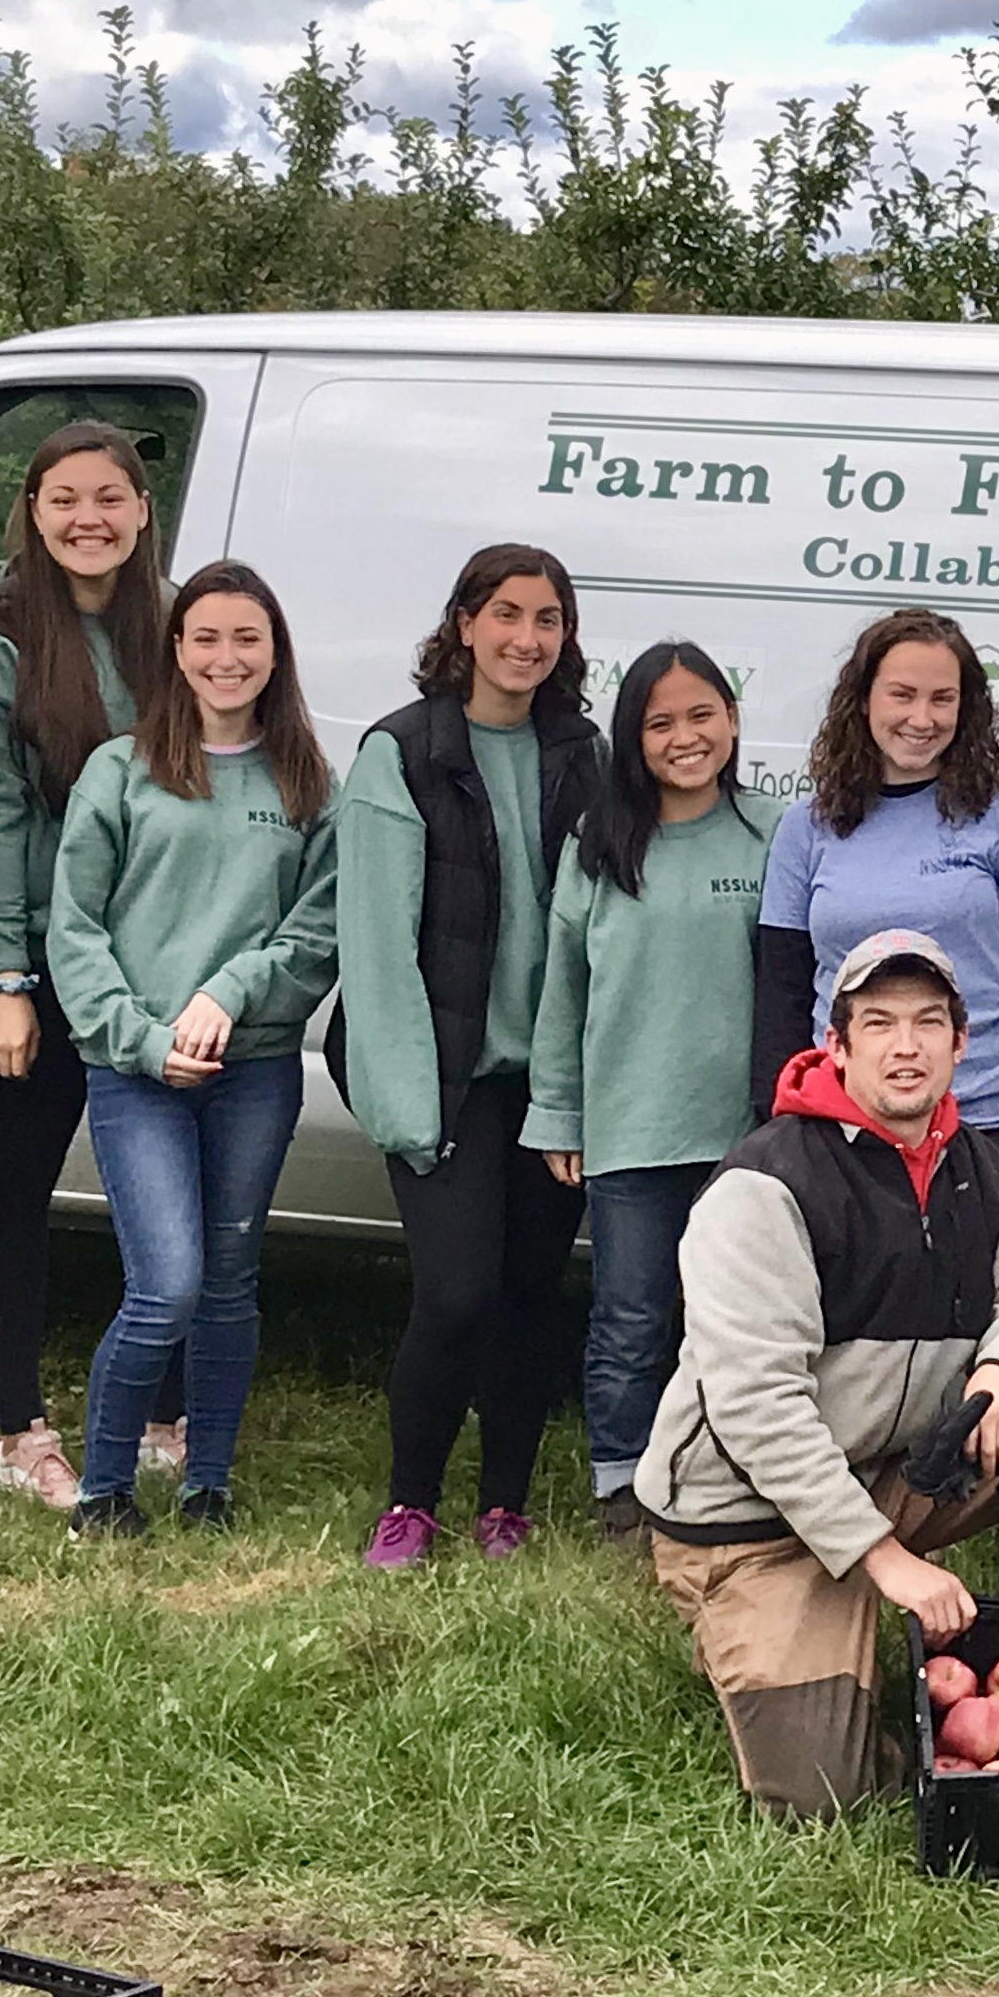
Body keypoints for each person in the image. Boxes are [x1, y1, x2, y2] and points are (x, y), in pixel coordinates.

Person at [635, 929, 999, 1821]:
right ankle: (753, 1627)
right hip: (751, 1519)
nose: (906, 1045)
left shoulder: (974, 1165)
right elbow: (758, 1412)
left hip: (889, 1468)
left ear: (959, 1041)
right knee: (824, 1795)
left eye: (927, 1022)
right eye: (879, 1023)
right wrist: (884, 1560)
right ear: (837, 1043)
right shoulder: (765, 1184)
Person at [46, 561, 338, 1537]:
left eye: (246, 639)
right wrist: (138, 1036)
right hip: (137, 1072)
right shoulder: (120, 770)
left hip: (253, 1068)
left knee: (226, 1277)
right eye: (205, 637)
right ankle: (103, 1491)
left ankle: (208, 1480)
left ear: (274, 653)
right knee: (163, 1280)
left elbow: (316, 931)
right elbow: (75, 928)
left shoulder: (303, 781)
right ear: (175, 652)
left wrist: (230, 989)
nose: (226, 657)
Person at [336, 544, 606, 1563]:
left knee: (530, 1296)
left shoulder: (581, 753)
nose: (525, 638)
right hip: (442, 1081)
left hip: (545, 1086)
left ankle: (503, 1505)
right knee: (453, 1295)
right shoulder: (397, 755)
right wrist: (410, 1112)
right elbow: (374, 948)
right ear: (461, 624)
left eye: (546, 620)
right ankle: (409, 1500)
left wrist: (579, 1092)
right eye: (505, 614)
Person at [0, 421, 185, 1504]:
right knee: (16, 1186)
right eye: (63, 500)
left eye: (109, 498)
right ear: (32, 513)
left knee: (165, 1188)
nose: (89, 519)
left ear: (142, 510)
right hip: (37, 956)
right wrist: (4, 978)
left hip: (158, 957)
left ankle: (165, 1413)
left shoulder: (178, 626)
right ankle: (19, 1432)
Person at [518, 640, 773, 1529]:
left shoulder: (773, 834)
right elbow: (563, 986)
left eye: (702, 714)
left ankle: (727, 1478)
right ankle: (620, 1483)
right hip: (629, 1126)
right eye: (660, 722)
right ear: (632, 738)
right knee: (629, 1318)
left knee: (736, 1324)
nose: (685, 736)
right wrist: (559, 1111)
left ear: (733, 722)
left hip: (747, 1136)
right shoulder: (601, 840)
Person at [752, 608, 999, 1216]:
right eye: (902, 695)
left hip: (983, 1127)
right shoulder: (806, 827)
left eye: (942, 699)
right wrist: (776, 1127)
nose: (921, 719)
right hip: (839, 1133)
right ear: (863, 699)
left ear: (967, 707)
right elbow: (781, 991)